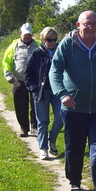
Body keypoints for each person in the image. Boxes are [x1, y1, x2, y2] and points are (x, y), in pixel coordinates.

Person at [49, 11, 96, 191]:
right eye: (87, 24)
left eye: (94, 24)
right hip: (73, 108)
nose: (91, 27)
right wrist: (62, 94)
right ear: (78, 24)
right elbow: (55, 71)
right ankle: (75, 181)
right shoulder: (67, 45)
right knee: (74, 148)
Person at [25, 27, 63, 160]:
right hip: (42, 92)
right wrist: (34, 89)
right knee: (43, 121)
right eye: (49, 40)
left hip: (58, 92)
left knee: (61, 118)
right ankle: (43, 148)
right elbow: (28, 73)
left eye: (54, 39)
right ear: (42, 40)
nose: (52, 42)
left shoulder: (61, 51)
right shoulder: (37, 53)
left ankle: (51, 140)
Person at [2, 23, 39, 137]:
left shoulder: (38, 45)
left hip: (34, 80)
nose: (27, 37)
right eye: (25, 34)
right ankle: (24, 128)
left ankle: (35, 127)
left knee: (36, 105)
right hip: (19, 80)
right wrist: (8, 76)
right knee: (20, 105)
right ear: (20, 34)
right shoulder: (13, 46)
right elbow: (6, 62)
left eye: (29, 35)